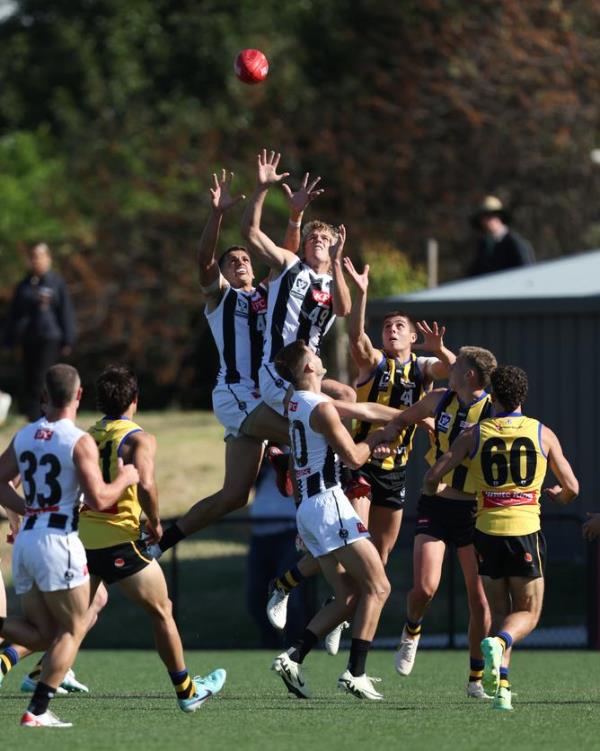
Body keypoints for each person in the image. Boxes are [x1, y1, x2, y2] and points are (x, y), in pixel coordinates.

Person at [147, 168, 325, 559]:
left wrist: (295, 216)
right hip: (237, 393)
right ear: (224, 273)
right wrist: (217, 214)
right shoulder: (222, 299)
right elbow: (204, 260)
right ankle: (311, 532)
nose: (242, 261)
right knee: (305, 439)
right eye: (234, 260)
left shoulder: (265, 295)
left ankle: (161, 543)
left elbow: (286, 259)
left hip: (260, 396)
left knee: (234, 496)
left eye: (246, 257)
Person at [423, 365, 579, 711]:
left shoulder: (474, 434)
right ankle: (500, 643)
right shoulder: (542, 433)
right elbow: (572, 488)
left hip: (485, 532)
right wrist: (556, 495)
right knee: (528, 613)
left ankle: (502, 688)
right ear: (522, 397)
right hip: (524, 531)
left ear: (493, 397)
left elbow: (433, 475)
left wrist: (438, 490)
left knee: (498, 610)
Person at [78, 364, 226, 712]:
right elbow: (145, 484)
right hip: (120, 541)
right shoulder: (139, 438)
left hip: (84, 540)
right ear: (135, 400)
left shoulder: (87, 435)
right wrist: (156, 524)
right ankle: (187, 692)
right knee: (163, 611)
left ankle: (9, 662)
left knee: (71, 620)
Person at [0, 363, 139, 727]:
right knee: (75, 626)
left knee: (43, 632)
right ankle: (38, 710)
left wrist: (27, 509)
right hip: (58, 540)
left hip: (27, 541)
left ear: (44, 397)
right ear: (78, 396)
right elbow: (100, 499)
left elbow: (0, 482)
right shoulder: (78, 440)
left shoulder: (25, 434)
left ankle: (38, 706)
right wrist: (126, 477)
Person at [270, 340, 391, 700]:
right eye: (313, 353)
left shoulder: (297, 401)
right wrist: (380, 438)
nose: (319, 356)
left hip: (309, 507)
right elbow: (354, 458)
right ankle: (356, 672)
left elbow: (363, 408)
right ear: (308, 367)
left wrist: (408, 416)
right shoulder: (320, 407)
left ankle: (293, 657)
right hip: (328, 503)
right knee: (379, 587)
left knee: (349, 595)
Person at [374, 346, 496, 697]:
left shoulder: (492, 409)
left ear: (469, 375)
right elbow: (401, 418)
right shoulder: (440, 399)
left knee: (480, 601)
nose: (449, 368)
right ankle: (411, 631)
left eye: (455, 365)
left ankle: (475, 679)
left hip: (475, 511)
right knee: (424, 588)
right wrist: (389, 438)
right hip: (435, 504)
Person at [344, 258, 455, 564]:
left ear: (412, 337)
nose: (392, 331)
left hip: (396, 469)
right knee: (356, 542)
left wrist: (440, 349)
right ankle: (340, 600)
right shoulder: (374, 362)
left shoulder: (422, 367)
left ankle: (355, 606)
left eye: (399, 327)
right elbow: (356, 339)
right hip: (363, 462)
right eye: (387, 327)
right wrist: (362, 293)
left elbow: (455, 372)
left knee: (381, 557)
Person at [241, 149, 354, 417]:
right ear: (303, 247)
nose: (318, 240)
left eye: (325, 238)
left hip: (310, 371)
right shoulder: (290, 266)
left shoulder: (333, 281)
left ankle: (336, 457)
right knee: (322, 412)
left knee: (346, 394)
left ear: (335, 247)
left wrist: (337, 264)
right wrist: (262, 188)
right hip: (278, 369)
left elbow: (343, 310)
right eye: (312, 237)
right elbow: (250, 232)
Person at [3, 243, 76, 421]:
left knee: (42, 379)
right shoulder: (24, 285)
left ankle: (46, 417)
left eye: (40, 256)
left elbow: (65, 312)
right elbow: (14, 314)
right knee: (28, 380)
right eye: (33, 256)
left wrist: (68, 339)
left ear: (48, 258)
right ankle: (33, 419)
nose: (36, 260)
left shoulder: (56, 283)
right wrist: (7, 339)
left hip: (49, 338)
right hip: (28, 338)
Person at [247, 450, 307, 648]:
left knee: (289, 595)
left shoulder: (299, 447)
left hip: (289, 534)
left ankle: (295, 646)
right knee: (255, 598)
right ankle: (271, 643)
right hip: (261, 537)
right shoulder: (261, 454)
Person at [467, 196, 535, 277]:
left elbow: (526, 272)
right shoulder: (483, 246)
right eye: (484, 217)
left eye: (492, 216)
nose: (488, 221)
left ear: (500, 217)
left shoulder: (514, 243)